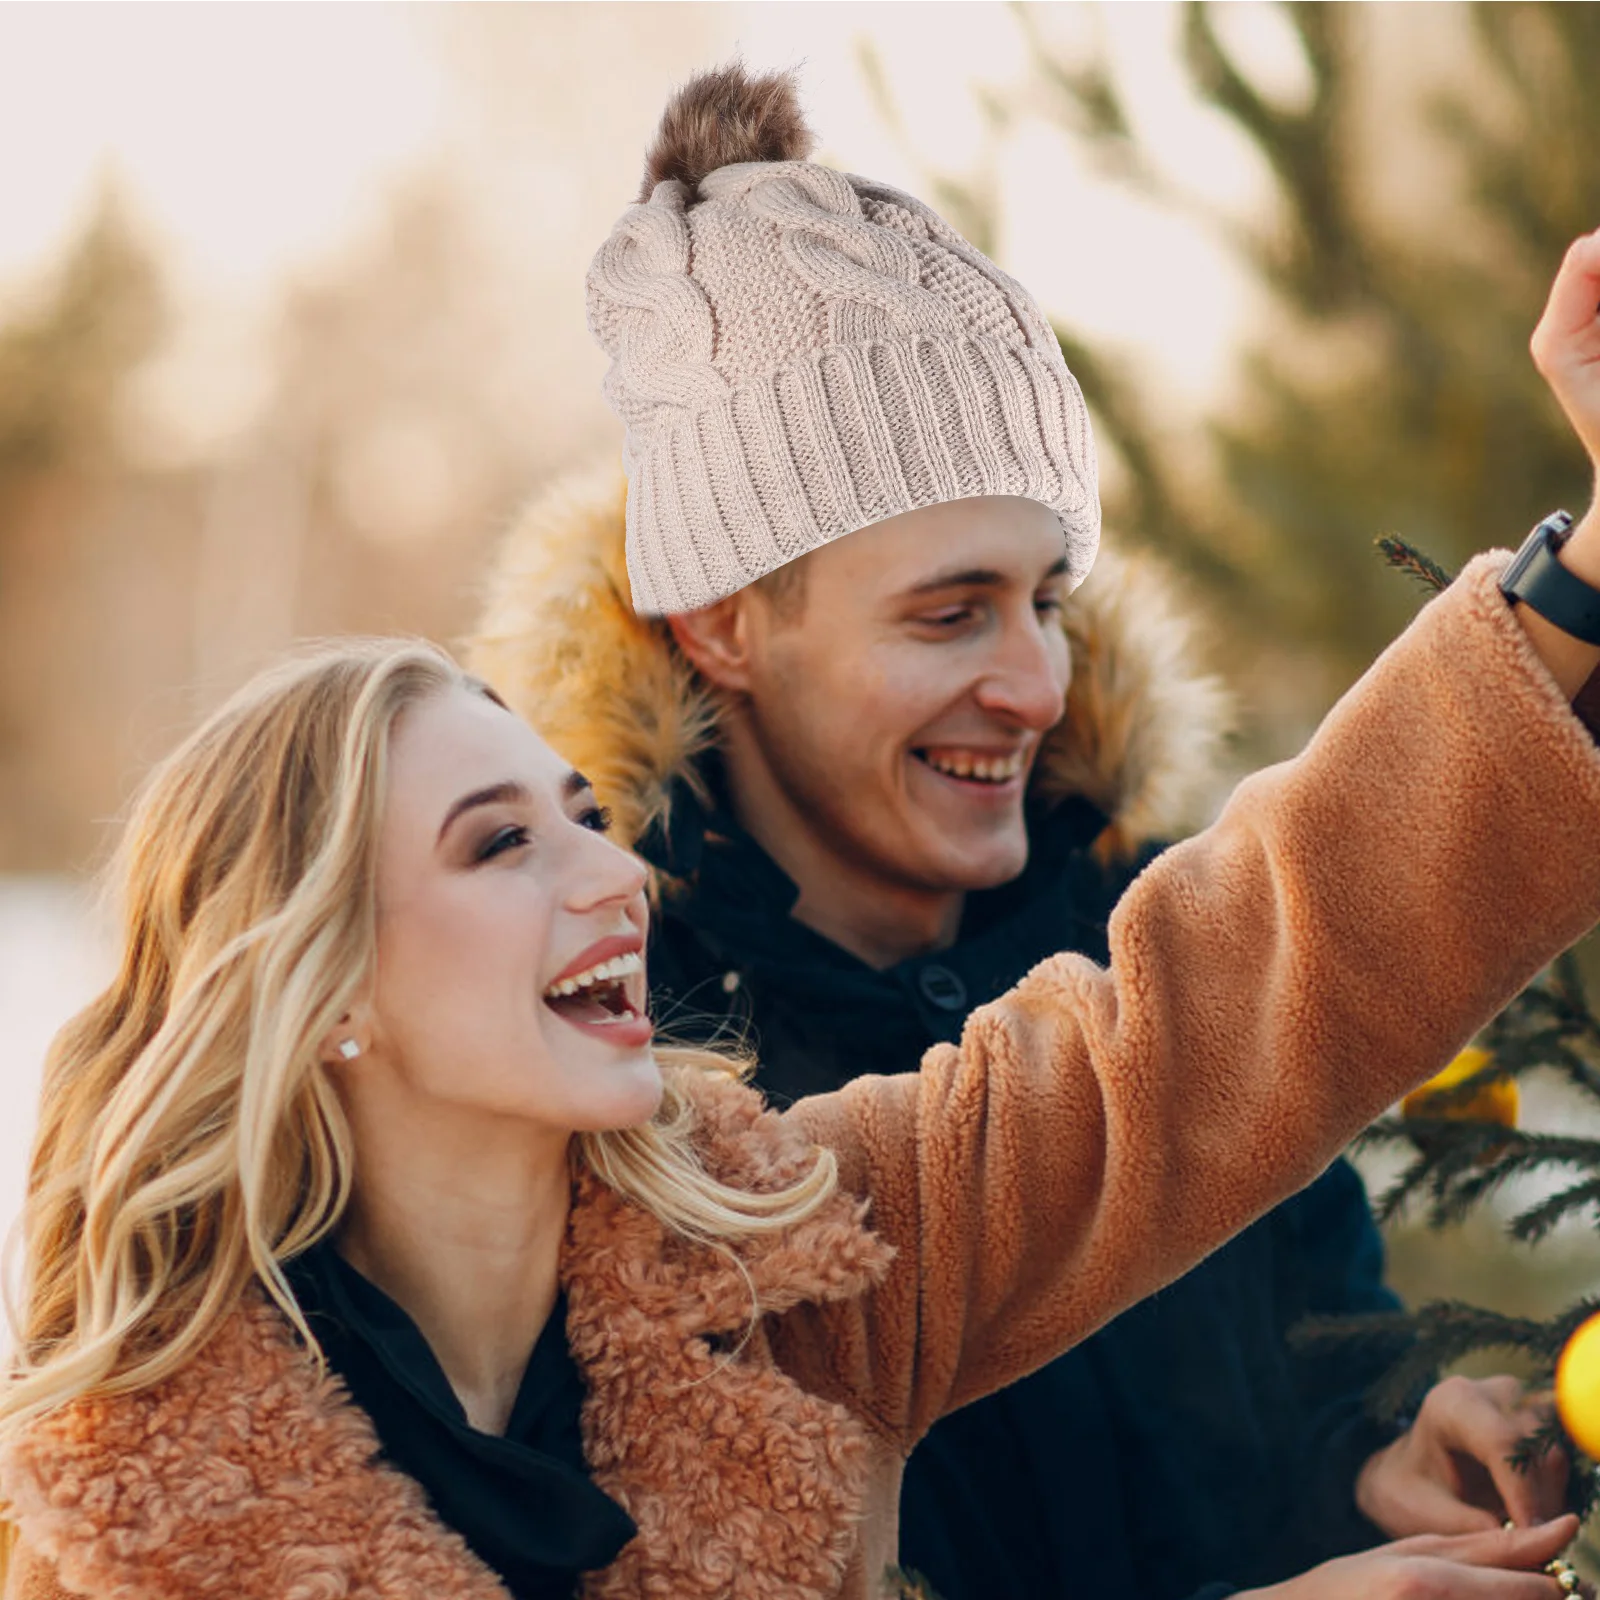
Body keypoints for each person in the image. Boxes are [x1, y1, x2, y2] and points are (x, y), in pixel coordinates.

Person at [7, 73, 1600, 1600]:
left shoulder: (785, 1259)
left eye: (582, 818)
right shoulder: (134, 1508)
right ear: (320, 980)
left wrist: (1579, 584)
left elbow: (1216, 1012)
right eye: (498, 844)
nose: (612, 871)